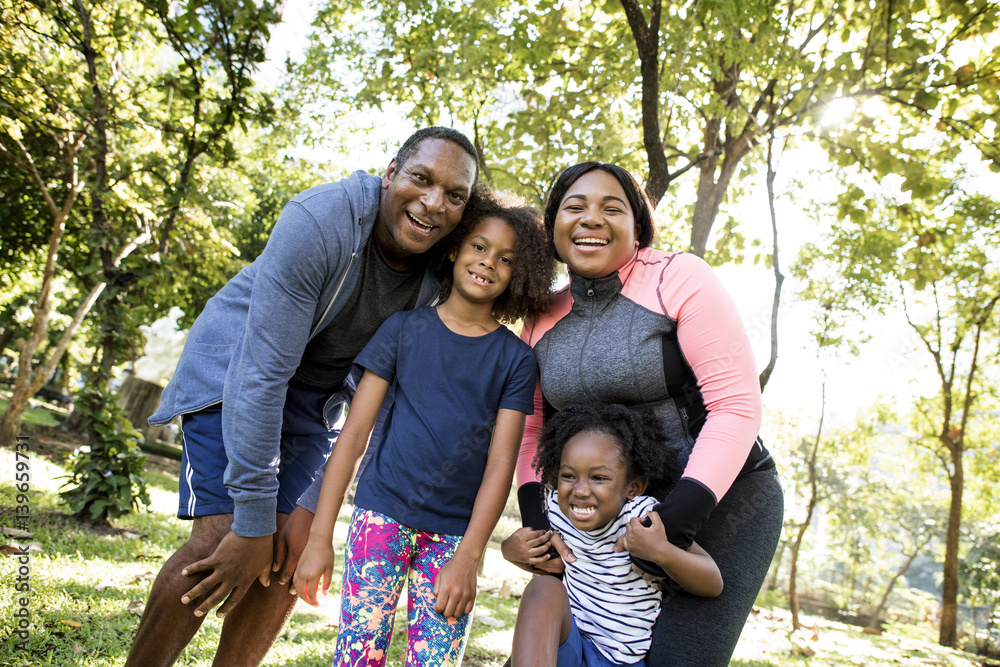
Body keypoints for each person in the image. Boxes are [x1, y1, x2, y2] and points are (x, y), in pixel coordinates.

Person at [125, 127, 480, 667]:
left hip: (318, 406)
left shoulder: (445, 271)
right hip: (235, 377)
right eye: (421, 179)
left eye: (455, 196)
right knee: (224, 536)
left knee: (294, 553)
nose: (434, 203)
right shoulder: (320, 221)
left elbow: (381, 399)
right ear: (390, 173)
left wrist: (312, 507)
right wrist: (252, 518)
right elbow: (261, 374)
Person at [510, 162, 784, 666]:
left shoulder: (678, 277)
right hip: (607, 507)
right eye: (575, 206)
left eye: (612, 208)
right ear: (552, 226)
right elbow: (531, 433)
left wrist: (672, 527)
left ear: (638, 228)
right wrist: (539, 524)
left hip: (723, 502)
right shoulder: (541, 316)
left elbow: (737, 406)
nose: (591, 218)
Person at [292, 188, 555, 666]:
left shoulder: (516, 359)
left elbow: (501, 463)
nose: (488, 263)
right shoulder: (401, 329)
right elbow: (353, 436)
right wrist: (319, 538)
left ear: (520, 275)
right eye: (479, 246)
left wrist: (469, 557)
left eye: (505, 259)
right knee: (356, 658)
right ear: (454, 248)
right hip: (380, 519)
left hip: (454, 539)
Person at [503, 402, 723, 667]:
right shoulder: (557, 511)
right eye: (568, 476)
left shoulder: (643, 519)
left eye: (598, 478)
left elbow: (713, 582)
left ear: (633, 488)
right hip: (567, 643)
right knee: (543, 588)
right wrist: (509, 551)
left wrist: (660, 552)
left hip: (616, 659)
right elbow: (542, 564)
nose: (580, 490)